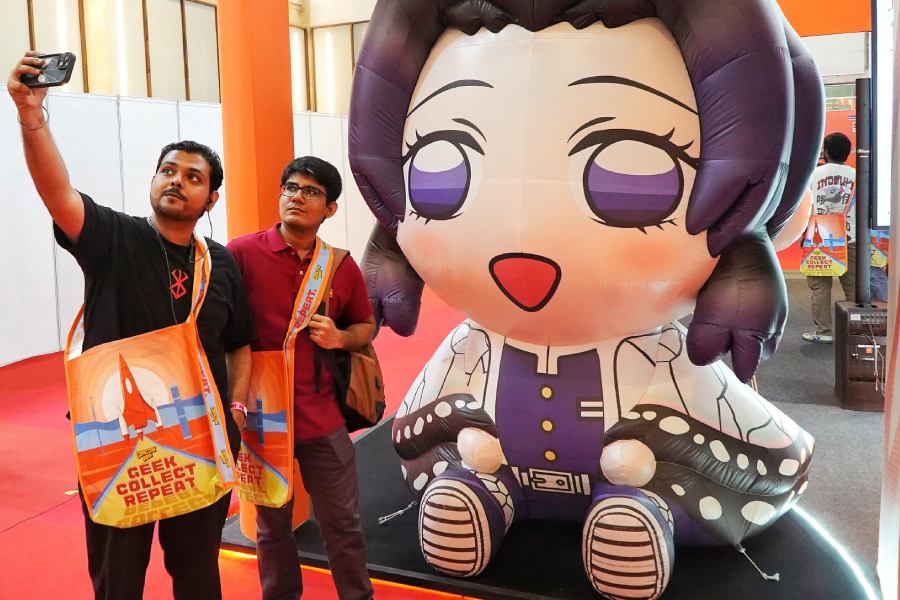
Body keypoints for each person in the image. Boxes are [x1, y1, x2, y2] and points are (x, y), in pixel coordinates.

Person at [348, 2, 821, 598]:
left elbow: (754, 443)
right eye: (438, 172)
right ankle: (487, 492)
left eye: (632, 174)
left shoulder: (656, 348)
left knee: (695, 459)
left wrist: (743, 251)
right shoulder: (476, 338)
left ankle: (644, 508)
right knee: (453, 447)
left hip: (640, 446)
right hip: (495, 441)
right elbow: (415, 425)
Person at [8, 52, 254, 599]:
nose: (177, 181)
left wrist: (234, 410)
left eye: (193, 177)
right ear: (153, 180)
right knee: (118, 579)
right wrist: (31, 117)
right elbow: (58, 193)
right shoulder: (113, 239)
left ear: (211, 198)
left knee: (197, 573)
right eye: (168, 170)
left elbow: (239, 344)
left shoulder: (220, 262)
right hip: (121, 444)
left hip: (201, 438)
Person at [228, 156, 375, 600]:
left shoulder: (340, 266)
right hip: (261, 418)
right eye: (290, 188)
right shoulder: (241, 254)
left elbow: (365, 326)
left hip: (322, 416)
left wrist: (340, 337)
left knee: (343, 524)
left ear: (329, 208)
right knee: (272, 526)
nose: (296, 196)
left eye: (310, 191)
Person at [803, 132, 857, 343]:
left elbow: (804, 207)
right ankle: (855, 332)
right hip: (850, 237)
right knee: (852, 288)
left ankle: (824, 332)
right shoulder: (857, 176)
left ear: (825, 151)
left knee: (820, 287)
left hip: (820, 239)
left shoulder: (813, 174)